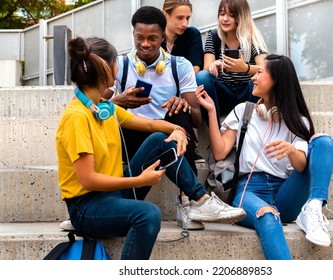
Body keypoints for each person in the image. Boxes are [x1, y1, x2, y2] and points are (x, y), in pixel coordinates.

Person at [57, 35, 246, 260]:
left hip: (113, 195)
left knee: (158, 139)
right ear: (105, 70)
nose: (119, 66)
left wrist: (176, 130)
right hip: (86, 208)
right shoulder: (77, 117)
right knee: (148, 214)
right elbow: (88, 180)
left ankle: (201, 201)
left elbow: (149, 124)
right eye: (115, 61)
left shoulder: (104, 107)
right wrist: (140, 181)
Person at [196, 54, 333, 260]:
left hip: (285, 193)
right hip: (248, 191)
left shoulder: (298, 121)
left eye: (259, 72)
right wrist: (212, 111)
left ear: (276, 80)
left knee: (323, 141)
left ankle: (314, 207)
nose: (253, 77)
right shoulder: (244, 111)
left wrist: (291, 150)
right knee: (267, 215)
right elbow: (220, 152)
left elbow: (302, 166)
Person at [100, 6, 204, 231]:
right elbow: (92, 109)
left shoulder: (180, 65)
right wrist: (118, 102)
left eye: (152, 38)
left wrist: (183, 102)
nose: (145, 44)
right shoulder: (121, 66)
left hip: (168, 137)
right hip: (132, 136)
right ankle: (98, 201)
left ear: (163, 36)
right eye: (140, 38)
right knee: (107, 117)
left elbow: (196, 120)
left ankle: (187, 203)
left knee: (183, 113)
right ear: (133, 35)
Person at [161, 0, 206, 230]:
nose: (184, 23)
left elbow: (195, 70)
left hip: (183, 95)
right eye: (179, 18)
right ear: (165, 15)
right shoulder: (152, 36)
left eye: (187, 18)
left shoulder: (191, 35)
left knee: (182, 111)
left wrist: (182, 96)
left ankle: (187, 202)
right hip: (156, 104)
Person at [196, 0, 268, 126]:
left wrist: (244, 68)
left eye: (231, 15)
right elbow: (206, 69)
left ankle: (251, 128)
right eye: (222, 14)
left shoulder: (252, 37)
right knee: (202, 76)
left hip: (247, 94)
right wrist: (215, 64)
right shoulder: (213, 36)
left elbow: (266, 69)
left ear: (241, 16)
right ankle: (217, 132)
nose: (225, 19)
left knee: (257, 80)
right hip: (222, 95)